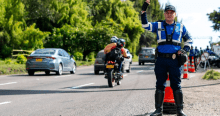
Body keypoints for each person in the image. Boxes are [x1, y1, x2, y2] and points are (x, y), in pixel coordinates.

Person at [141, 1, 192, 116]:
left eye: (171, 13)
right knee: (160, 84)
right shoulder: (158, 25)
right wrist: (144, 10)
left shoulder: (181, 27)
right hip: (161, 60)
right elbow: (145, 25)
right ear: (164, 14)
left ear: (175, 14)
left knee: (176, 85)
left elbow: (189, 39)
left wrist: (185, 50)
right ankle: (158, 110)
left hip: (175, 61)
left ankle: (179, 111)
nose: (169, 14)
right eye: (167, 12)